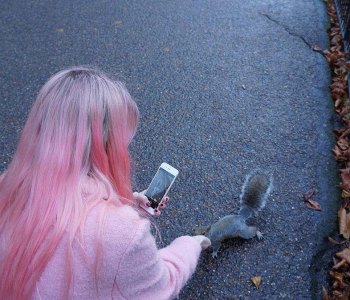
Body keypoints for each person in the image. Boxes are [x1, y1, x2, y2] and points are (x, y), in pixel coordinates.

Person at [0, 66, 211, 299]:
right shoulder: (123, 233)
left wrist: (121, 204)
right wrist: (190, 244)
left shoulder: (7, 188)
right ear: (108, 148)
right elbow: (162, 285)